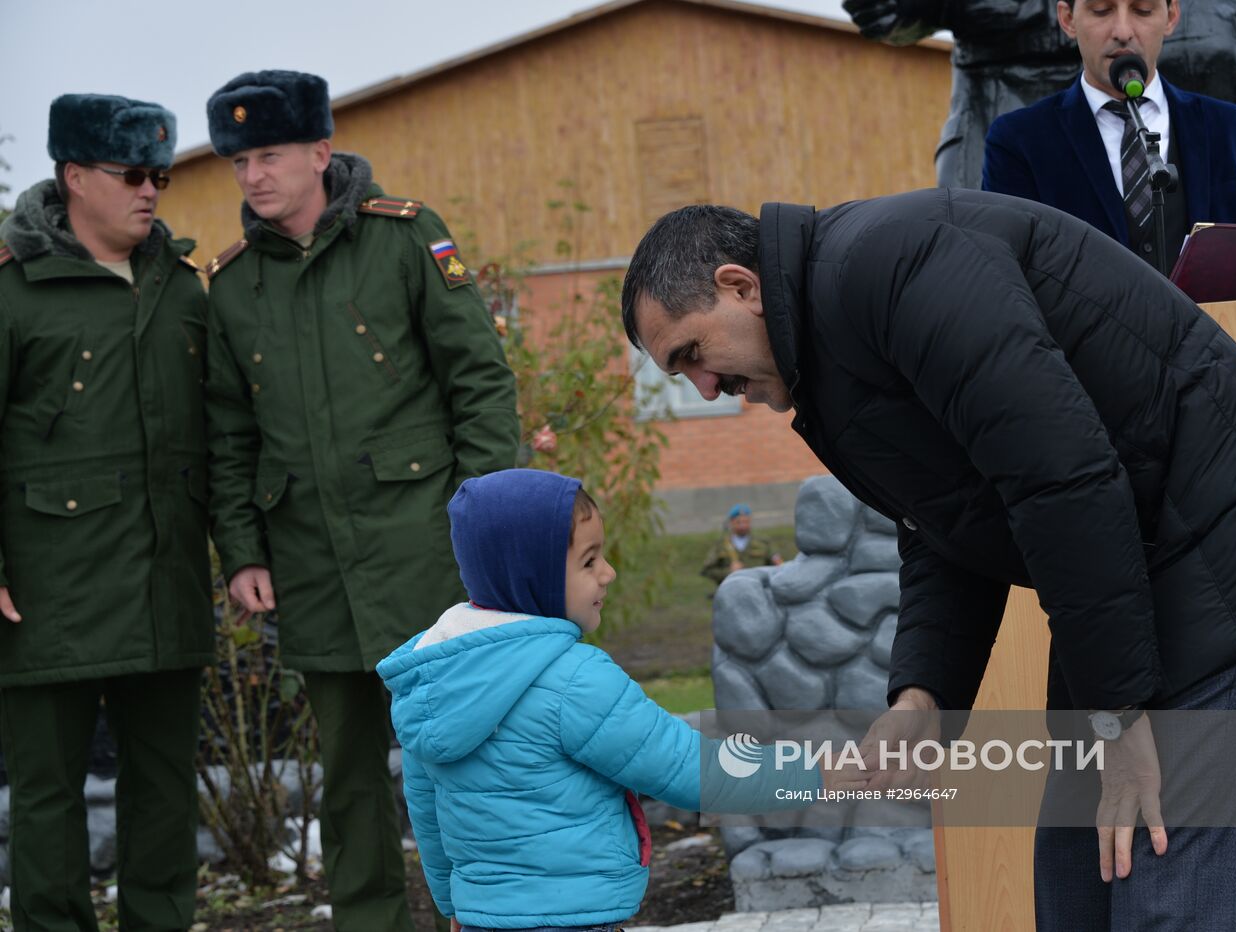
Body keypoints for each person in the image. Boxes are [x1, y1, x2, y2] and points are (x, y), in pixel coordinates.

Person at [620, 191, 1236, 932]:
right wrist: (922, 696)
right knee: (1077, 883)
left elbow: (1062, 479)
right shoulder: (825, 338)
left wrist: (1115, 719)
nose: (706, 388)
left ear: (740, 286)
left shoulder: (895, 264)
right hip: (1135, 561)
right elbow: (946, 517)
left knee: (1167, 889)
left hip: (1234, 536)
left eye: (692, 354)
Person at [201, 69, 519, 931]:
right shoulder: (230, 287)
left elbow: (480, 386)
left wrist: (489, 526)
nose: (252, 175)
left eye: (268, 154)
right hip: (310, 565)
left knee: (465, 755)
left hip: (427, 554)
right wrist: (244, 550)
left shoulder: (406, 241)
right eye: (237, 161)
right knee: (347, 776)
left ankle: (494, 914)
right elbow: (229, 437)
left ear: (320, 151)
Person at [377, 469, 839, 930]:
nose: (608, 573)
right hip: (576, 918)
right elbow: (691, 771)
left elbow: (426, 812)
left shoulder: (434, 678)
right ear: (530, 575)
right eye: (588, 562)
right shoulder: (574, 679)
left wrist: (453, 905)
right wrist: (814, 774)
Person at [0, 94, 213, 931]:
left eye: (160, 174)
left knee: (164, 788)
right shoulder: (14, 293)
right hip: (47, 592)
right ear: (75, 176)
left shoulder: (187, 291)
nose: (151, 190)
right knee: (47, 798)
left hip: (165, 581)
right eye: (132, 174)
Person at [981, 0, 1236, 268]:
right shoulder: (1018, 141)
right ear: (1067, 19)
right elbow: (1008, 279)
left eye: (1142, 10)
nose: (1122, 31)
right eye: (1101, 10)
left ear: (1171, 16)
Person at [700, 502, 783, 589]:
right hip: (731, 592)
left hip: (759, 590)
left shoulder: (763, 543)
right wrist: (729, 572)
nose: (743, 526)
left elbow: (777, 565)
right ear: (731, 522)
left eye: (745, 522)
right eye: (738, 522)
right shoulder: (722, 545)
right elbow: (707, 570)